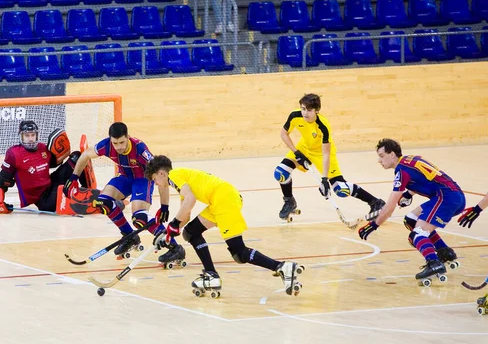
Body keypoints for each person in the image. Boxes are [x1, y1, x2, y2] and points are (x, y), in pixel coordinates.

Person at [147, 155, 304, 297]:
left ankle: (282, 267)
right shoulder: (182, 179)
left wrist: (174, 224)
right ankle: (211, 274)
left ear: (162, 173)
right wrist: (168, 233)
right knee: (190, 232)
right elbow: (185, 214)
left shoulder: (174, 175)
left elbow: (190, 200)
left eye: (154, 180)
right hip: (219, 200)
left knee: (239, 252)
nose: (156, 184)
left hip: (223, 199)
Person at [64, 122, 185, 263]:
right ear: (110, 140)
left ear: (128, 137)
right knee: (103, 203)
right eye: (115, 143)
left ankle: (176, 248)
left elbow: (161, 175)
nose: (119, 147)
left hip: (143, 179)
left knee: (139, 218)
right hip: (124, 178)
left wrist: (164, 206)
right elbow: (85, 155)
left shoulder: (140, 149)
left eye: (122, 142)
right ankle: (129, 236)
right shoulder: (107, 145)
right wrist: (74, 177)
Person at [358, 138, 466, 284]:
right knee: (411, 220)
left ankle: (434, 263)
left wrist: (374, 225)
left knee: (416, 234)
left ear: (392, 154)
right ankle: (445, 252)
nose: (379, 160)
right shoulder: (411, 159)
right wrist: (409, 194)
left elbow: (390, 207)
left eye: (381, 156)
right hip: (453, 195)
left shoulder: (401, 172)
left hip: (445, 198)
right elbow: (428, 177)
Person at [274, 93, 385, 221]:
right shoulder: (295, 115)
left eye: (309, 110)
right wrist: (297, 152)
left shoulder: (323, 125)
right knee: (281, 172)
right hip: (304, 148)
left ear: (317, 111)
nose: (305, 113)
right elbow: (283, 134)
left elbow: (326, 153)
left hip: (322, 153)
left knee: (340, 189)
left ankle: (376, 202)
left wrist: (324, 180)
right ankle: (289, 201)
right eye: (303, 108)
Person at [0, 121, 89, 213]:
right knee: (62, 195)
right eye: (27, 135)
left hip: (51, 184)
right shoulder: (14, 154)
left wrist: (62, 153)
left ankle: (88, 189)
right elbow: (2, 178)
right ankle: (79, 198)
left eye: (33, 135)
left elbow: (55, 163)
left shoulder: (43, 148)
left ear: (37, 135)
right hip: (42, 199)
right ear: (21, 136)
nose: (30, 139)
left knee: (77, 157)